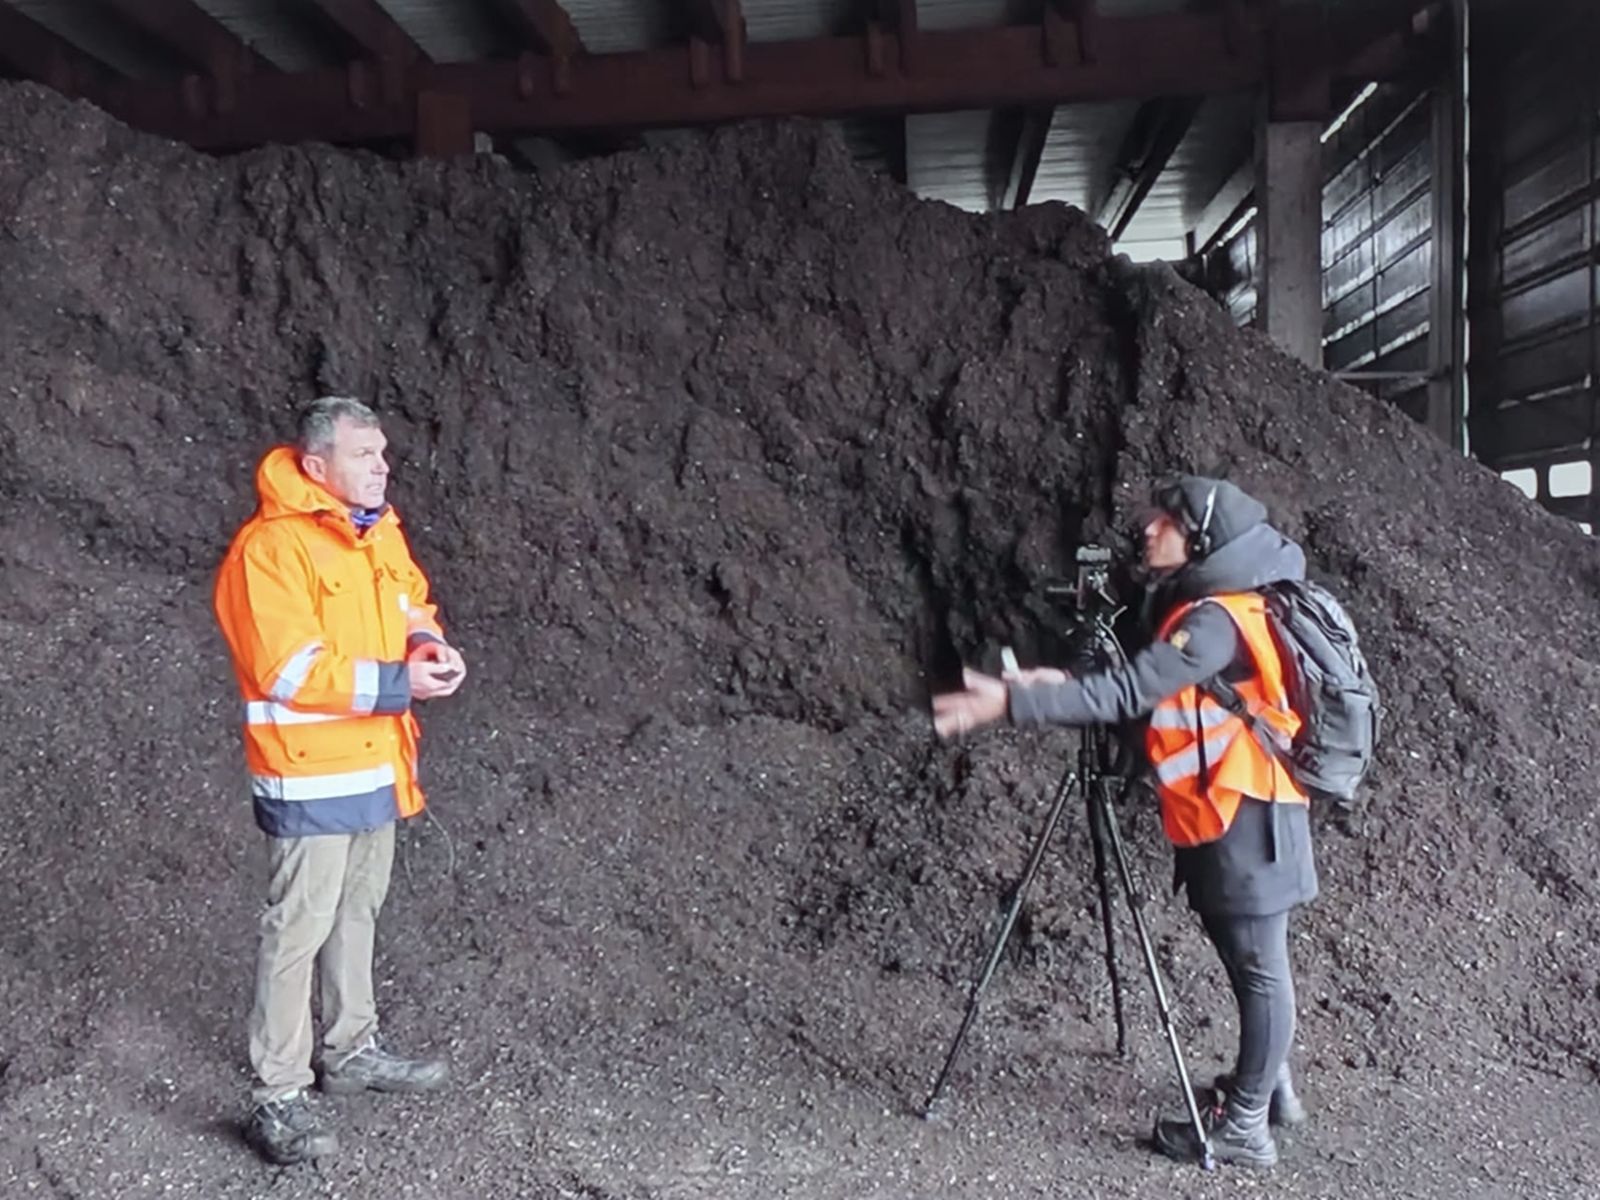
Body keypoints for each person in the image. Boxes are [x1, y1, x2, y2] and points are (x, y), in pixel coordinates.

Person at [931, 476, 1315, 1169]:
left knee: (1260, 969)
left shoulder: (1216, 620)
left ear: (1199, 540)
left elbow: (1134, 690)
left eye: (1166, 522)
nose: (1149, 530)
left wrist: (1012, 705)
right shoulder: (1209, 610)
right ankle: (1264, 1086)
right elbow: (1155, 700)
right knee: (1251, 962)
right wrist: (1060, 687)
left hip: (1249, 816)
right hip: (1231, 813)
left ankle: (1246, 1126)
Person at [213, 396, 467, 1166]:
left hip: (374, 762)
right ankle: (278, 1093)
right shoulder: (270, 549)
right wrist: (399, 684)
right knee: (298, 928)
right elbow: (288, 671)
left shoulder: (377, 531)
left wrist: (427, 647)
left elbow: (410, 602)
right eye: (365, 455)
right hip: (309, 774)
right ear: (317, 466)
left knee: (358, 910)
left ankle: (352, 1049)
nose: (382, 467)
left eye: (382, 453)